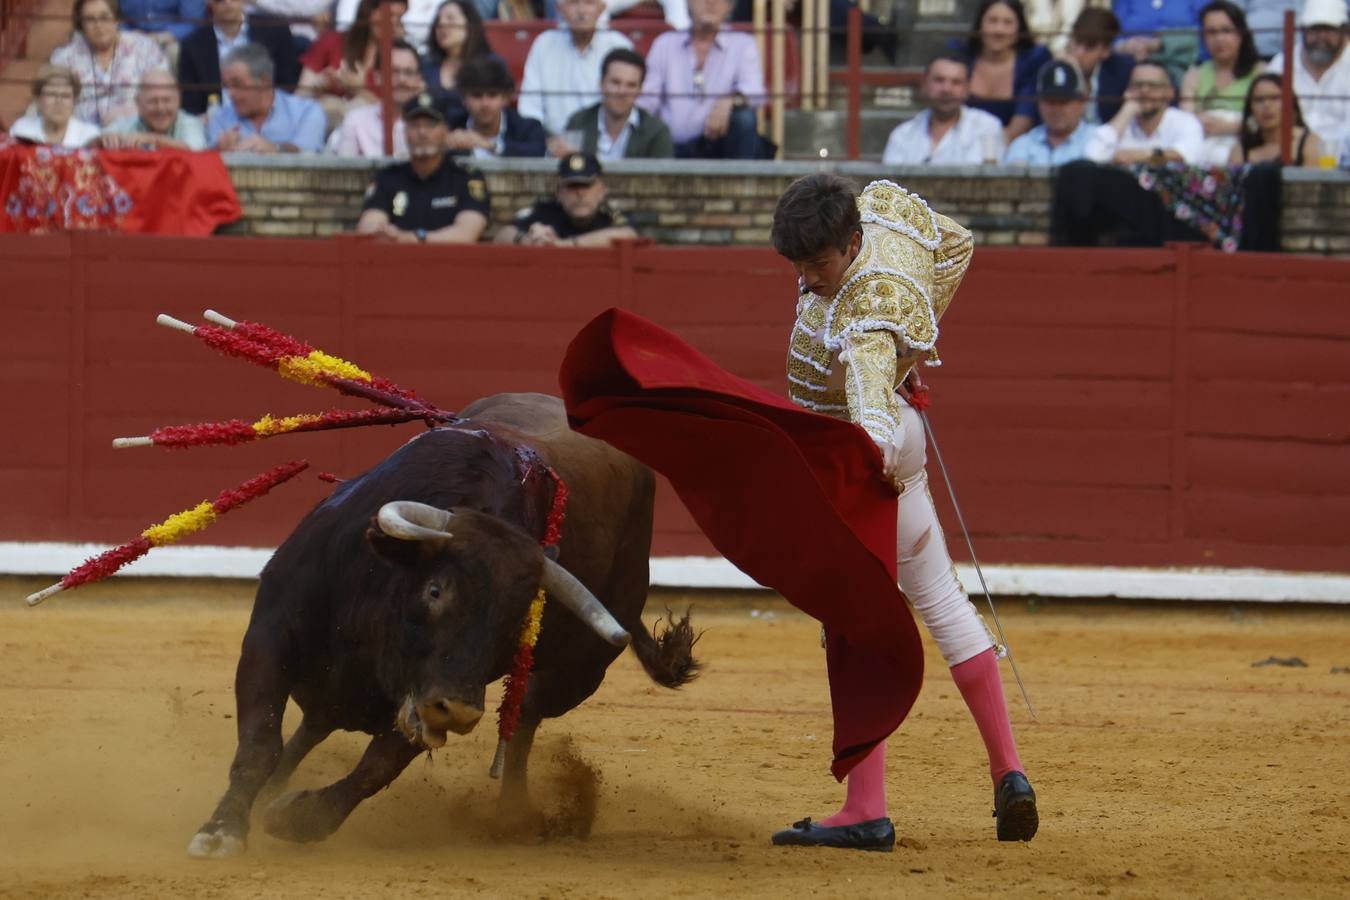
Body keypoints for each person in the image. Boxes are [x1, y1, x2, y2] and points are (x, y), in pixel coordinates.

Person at [767, 174, 1037, 850]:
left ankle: (865, 808)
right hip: (899, 448)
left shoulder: (864, 318)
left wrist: (889, 352)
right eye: (798, 264)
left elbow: (868, 418)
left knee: (857, 625)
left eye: (819, 264)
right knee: (943, 602)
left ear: (851, 243)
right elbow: (955, 242)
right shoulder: (881, 230)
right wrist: (912, 337)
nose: (808, 278)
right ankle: (1010, 771)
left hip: (861, 462)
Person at [639, 0, 769, 159]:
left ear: (730, 7)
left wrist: (729, 101)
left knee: (744, 119)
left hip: (720, 143)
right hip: (673, 146)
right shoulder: (665, 43)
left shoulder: (742, 44)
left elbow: (754, 91)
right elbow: (647, 101)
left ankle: (741, 183)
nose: (711, 3)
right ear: (688, 3)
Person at [356, 92, 491, 242]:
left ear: (446, 131)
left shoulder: (466, 178)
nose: (422, 132)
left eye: (430, 125)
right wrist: (382, 232)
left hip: (450, 263)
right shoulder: (388, 177)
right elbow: (368, 226)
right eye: (414, 125)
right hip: (397, 262)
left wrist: (415, 238)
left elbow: (466, 234)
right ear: (405, 132)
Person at [518, 0, 634, 147]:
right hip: (551, 148)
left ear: (601, 9)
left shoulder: (620, 46)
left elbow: (630, 105)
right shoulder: (543, 44)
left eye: (589, 3)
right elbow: (529, 108)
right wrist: (547, 141)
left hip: (606, 147)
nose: (581, 11)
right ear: (560, 9)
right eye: (573, 3)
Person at [50, 0, 170, 127]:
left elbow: (163, 97)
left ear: (116, 19)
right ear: (81, 25)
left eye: (105, 17)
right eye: (90, 20)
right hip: (83, 137)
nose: (99, 25)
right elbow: (53, 103)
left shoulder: (145, 49)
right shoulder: (64, 58)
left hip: (135, 133)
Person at [951, 0, 1051, 144]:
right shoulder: (962, 58)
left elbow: (1020, 127)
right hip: (960, 147)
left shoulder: (1032, 62)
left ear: (1019, 28)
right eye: (992, 21)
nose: (999, 30)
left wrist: (985, 151)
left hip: (1015, 151)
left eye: (1007, 23)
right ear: (980, 24)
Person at [178, 0, 302, 114]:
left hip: (270, 117)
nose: (227, 2)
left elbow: (288, 84)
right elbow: (191, 105)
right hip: (217, 127)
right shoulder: (192, 46)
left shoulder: (276, 30)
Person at [881, 54, 1004, 165]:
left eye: (956, 82)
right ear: (925, 84)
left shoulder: (987, 128)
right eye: (939, 80)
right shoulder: (903, 135)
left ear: (967, 88)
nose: (946, 89)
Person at [1180, 0, 1264, 164]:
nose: (1219, 39)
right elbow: (1186, 120)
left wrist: (1229, 127)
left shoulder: (1261, 72)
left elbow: (1267, 119)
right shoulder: (1193, 75)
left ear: (1241, 34)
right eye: (1211, 32)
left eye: (1226, 31)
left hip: (1245, 147)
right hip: (1201, 147)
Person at [494, 152, 638, 246]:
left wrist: (564, 245)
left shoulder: (609, 215)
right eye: (572, 186)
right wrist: (529, 240)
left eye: (586, 186)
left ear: (602, 190)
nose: (580, 193)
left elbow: (629, 235)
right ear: (558, 192)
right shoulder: (547, 213)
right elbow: (502, 235)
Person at [207, 42, 326, 152]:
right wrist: (218, 151)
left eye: (237, 84)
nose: (230, 93)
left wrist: (277, 150)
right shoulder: (220, 119)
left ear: (264, 82)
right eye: (227, 86)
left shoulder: (306, 111)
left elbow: (308, 153)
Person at [297, 0, 406, 114]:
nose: (394, 22)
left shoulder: (400, 59)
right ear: (369, 12)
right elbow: (299, 98)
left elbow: (397, 115)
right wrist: (321, 82)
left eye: (399, 17)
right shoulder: (331, 41)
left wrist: (360, 89)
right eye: (390, 15)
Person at [564, 47, 674, 159]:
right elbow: (567, 171)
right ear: (601, 84)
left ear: (640, 90)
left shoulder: (657, 133)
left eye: (631, 85)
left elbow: (662, 176)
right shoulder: (578, 122)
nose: (622, 92)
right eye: (615, 82)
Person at [1084, 60, 1204, 162]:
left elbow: (1189, 155)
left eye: (1153, 85)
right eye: (1137, 85)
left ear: (1170, 93)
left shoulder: (1185, 121)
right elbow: (1092, 157)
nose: (1144, 91)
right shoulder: (1121, 124)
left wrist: (1135, 156)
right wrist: (1126, 111)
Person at [1269, 0, 1350, 147]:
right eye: (1314, 30)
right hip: (1293, 152)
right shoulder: (1281, 63)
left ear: (1345, 31)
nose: (1321, 37)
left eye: (1328, 30)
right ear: (1302, 31)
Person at [330, 39, 425, 157]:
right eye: (394, 71)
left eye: (409, 72)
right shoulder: (356, 121)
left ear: (419, 79)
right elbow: (345, 173)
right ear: (377, 77)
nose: (402, 79)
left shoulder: (430, 125)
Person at [445, 56, 548, 157]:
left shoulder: (528, 128)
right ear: (463, 98)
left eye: (492, 95)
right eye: (477, 95)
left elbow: (538, 151)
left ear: (505, 98)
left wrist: (490, 146)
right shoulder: (450, 126)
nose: (485, 104)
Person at [1004, 58, 1092, 164]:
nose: (1056, 109)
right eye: (1050, 101)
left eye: (1063, 102)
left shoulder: (1098, 141)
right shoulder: (1022, 145)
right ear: (1038, 103)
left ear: (1082, 102)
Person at [419, 0, 497, 117]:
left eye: (450, 18)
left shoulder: (491, 64)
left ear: (469, 24)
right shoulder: (426, 64)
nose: (442, 24)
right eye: (438, 20)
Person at [95, 69, 208, 148]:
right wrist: (101, 141)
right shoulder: (127, 124)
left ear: (178, 101)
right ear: (138, 103)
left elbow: (194, 151)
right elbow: (88, 147)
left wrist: (153, 140)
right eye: (153, 101)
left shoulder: (190, 123)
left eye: (166, 100)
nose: (160, 108)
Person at [1229, 71, 1323, 164]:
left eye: (1274, 98)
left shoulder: (1308, 143)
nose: (1266, 105)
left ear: (1290, 104)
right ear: (1250, 109)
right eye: (1259, 100)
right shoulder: (1240, 150)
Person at [1112, 0, 1206, 87]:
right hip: (1130, 66)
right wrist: (1123, 46)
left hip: (1181, 69)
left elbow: (1207, 36)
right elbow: (1112, 35)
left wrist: (1161, 44)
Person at [1065, 7, 1134, 124]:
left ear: (1106, 51)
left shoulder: (1123, 71)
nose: (1079, 52)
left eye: (1090, 46)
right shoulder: (1057, 69)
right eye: (1077, 41)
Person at [8, 65, 102, 146]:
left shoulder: (90, 136)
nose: (58, 101)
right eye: (51, 94)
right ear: (38, 100)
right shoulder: (22, 130)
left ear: (74, 102)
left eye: (65, 96)